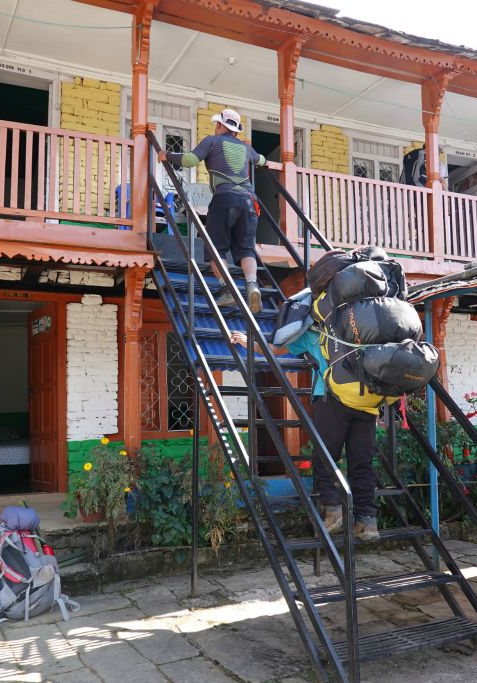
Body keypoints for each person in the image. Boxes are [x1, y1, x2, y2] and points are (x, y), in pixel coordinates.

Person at [230, 328, 379, 541]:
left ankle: (333, 510)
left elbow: (274, 348)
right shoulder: (361, 327)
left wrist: (247, 342)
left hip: (331, 398)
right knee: (362, 462)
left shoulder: (315, 331)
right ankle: (367, 520)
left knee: (324, 458)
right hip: (367, 400)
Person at [159, 108, 266, 314]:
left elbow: (190, 160)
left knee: (217, 248)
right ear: (235, 130)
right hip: (249, 201)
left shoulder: (212, 141)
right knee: (246, 249)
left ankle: (227, 289)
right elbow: (262, 161)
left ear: (220, 125)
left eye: (216, 124)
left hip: (224, 199)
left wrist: (167, 154)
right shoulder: (245, 148)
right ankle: (252, 285)